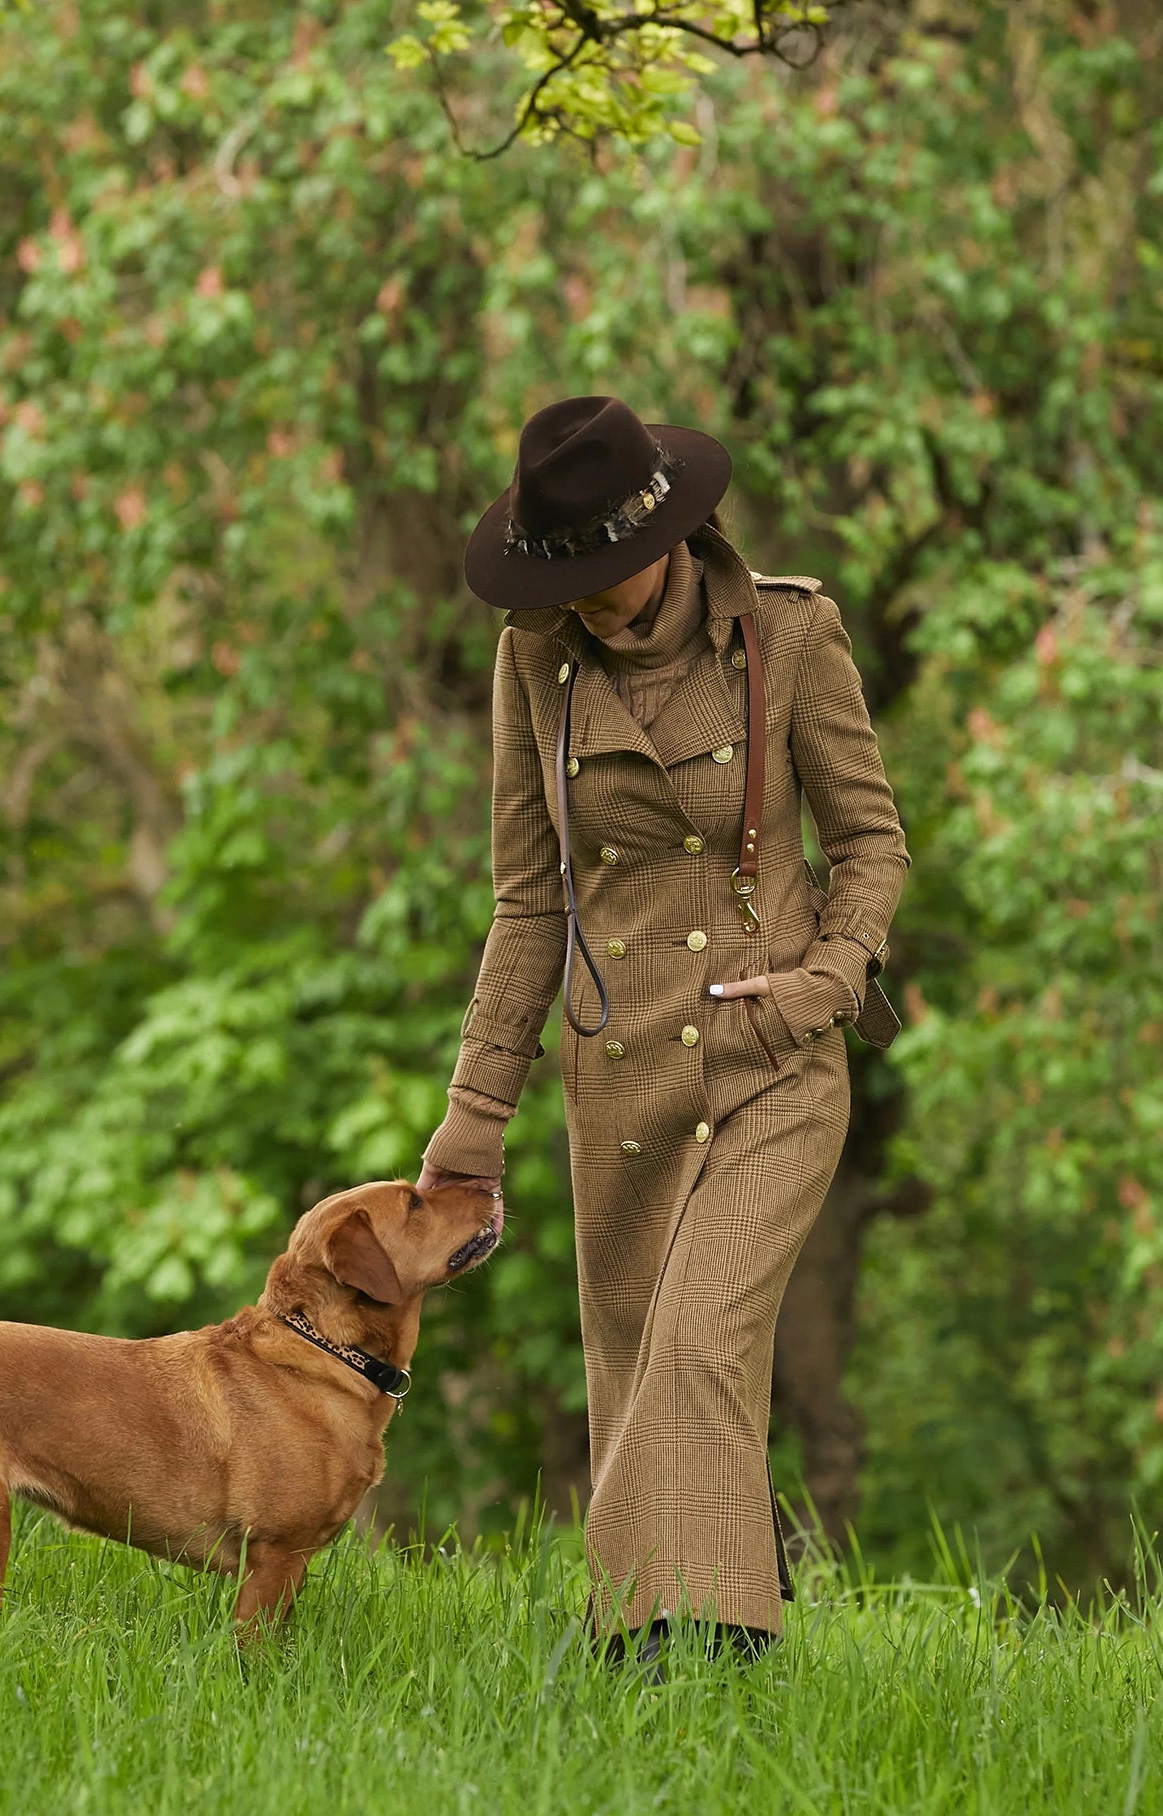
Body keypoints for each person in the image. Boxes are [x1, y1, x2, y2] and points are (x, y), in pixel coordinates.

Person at [418, 395, 909, 1666]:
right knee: (641, 1360)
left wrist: (825, 983)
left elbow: (869, 843)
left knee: (697, 1343)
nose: (580, 601)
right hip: (620, 1070)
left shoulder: (789, 635)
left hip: (770, 1060)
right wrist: (474, 1113)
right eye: (558, 579)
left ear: (663, 537)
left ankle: (671, 1657)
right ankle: (677, 1651)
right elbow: (529, 899)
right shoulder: (533, 661)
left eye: (598, 573)